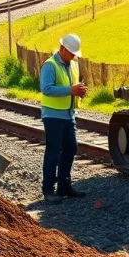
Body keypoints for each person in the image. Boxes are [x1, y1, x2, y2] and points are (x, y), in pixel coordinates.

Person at [39, 33, 88, 204]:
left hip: (68, 114)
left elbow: (72, 88)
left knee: (71, 148)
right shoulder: (49, 65)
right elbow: (46, 89)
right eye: (72, 52)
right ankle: (48, 189)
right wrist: (70, 90)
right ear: (63, 49)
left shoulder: (74, 65)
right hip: (52, 116)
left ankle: (64, 186)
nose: (74, 56)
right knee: (53, 151)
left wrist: (79, 92)